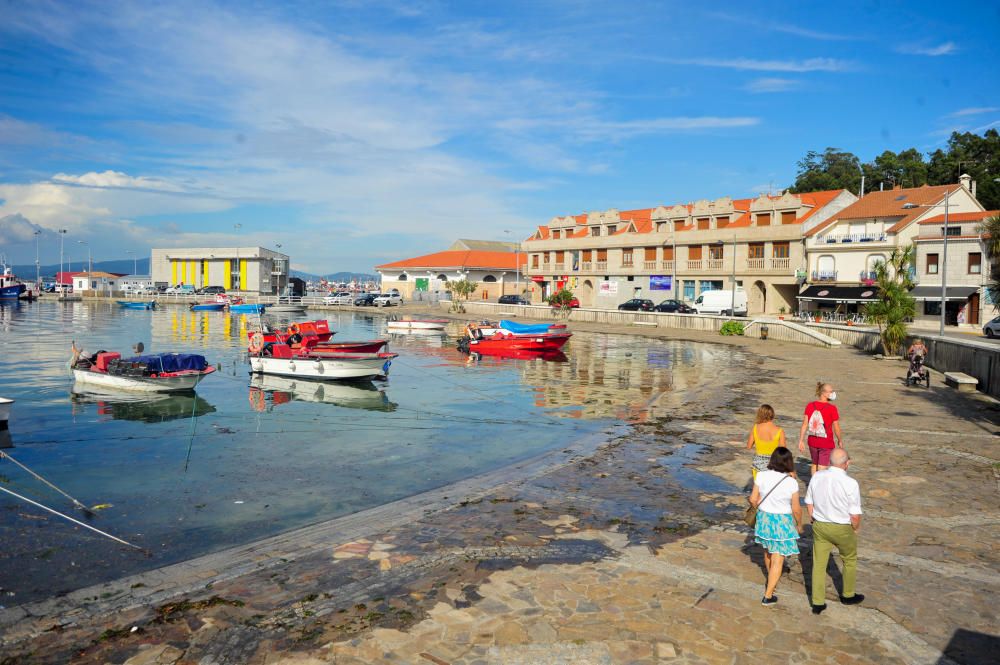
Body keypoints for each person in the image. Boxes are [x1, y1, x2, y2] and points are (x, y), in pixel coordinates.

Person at [805, 448, 864, 614]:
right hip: (842, 527)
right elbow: (855, 514)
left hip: (821, 525)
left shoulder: (817, 476)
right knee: (849, 559)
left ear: (830, 461)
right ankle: (847, 594)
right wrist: (855, 529)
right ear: (847, 464)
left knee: (819, 564)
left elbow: (809, 502)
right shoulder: (851, 483)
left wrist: (813, 519)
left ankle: (817, 602)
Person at [749, 447, 802, 606]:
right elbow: (796, 509)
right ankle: (768, 595)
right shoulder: (791, 482)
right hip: (781, 522)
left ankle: (770, 580)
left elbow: (753, 499)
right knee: (778, 558)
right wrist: (799, 524)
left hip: (764, 518)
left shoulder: (761, 475)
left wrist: (760, 508)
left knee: (768, 551)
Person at [798, 382, 842, 475]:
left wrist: (801, 440)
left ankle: (813, 485)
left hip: (812, 440)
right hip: (826, 442)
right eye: (831, 391)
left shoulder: (810, 405)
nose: (833, 393)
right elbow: (836, 427)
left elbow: (804, 424)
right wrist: (839, 440)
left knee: (814, 464)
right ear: (824, 393)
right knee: (822, 466)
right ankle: (819, 487)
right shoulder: (832, 408)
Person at [745, 404, 785, 479]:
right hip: (773, 465)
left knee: (758, 489)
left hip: (758, 465)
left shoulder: (755, 428)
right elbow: (783, 452)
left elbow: (749, 446)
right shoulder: (780, 431)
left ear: (760, 414)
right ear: (772, 414)